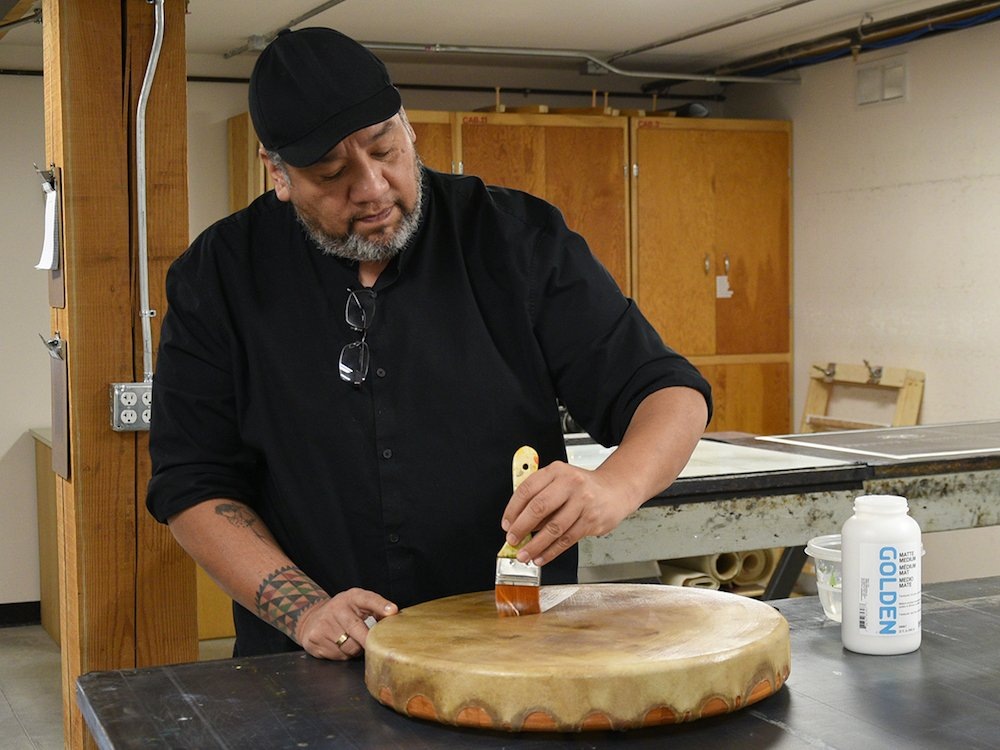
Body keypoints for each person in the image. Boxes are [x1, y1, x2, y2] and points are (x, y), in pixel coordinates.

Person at [147, 27, 711, 660]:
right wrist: (303, 608)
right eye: (332, 174)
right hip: (315, 658)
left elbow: (668, 390)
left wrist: (614, 486)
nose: (372, 188)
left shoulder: (515, 240)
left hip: (512, 648)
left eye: (385, 150)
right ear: (278, 174)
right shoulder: (218, 276)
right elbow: (192, 482)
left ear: (407, 128)